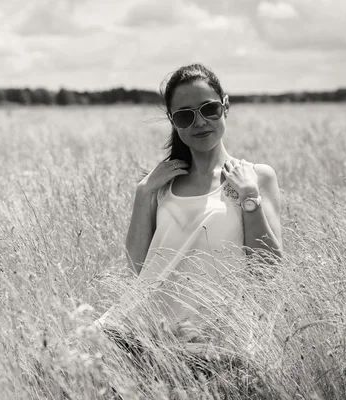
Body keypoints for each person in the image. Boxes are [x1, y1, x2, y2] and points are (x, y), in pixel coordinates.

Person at [94, 63, 283, 372]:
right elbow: (138, 267)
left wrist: (250, 198)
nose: (199, 123)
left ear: (225, 105)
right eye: (185, 115)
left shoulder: (256, 177)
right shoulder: (161, 183)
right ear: (173, 121)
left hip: (218, 337)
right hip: (148, 331)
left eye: (208, 109)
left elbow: (268, 269)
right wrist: (143, 193)